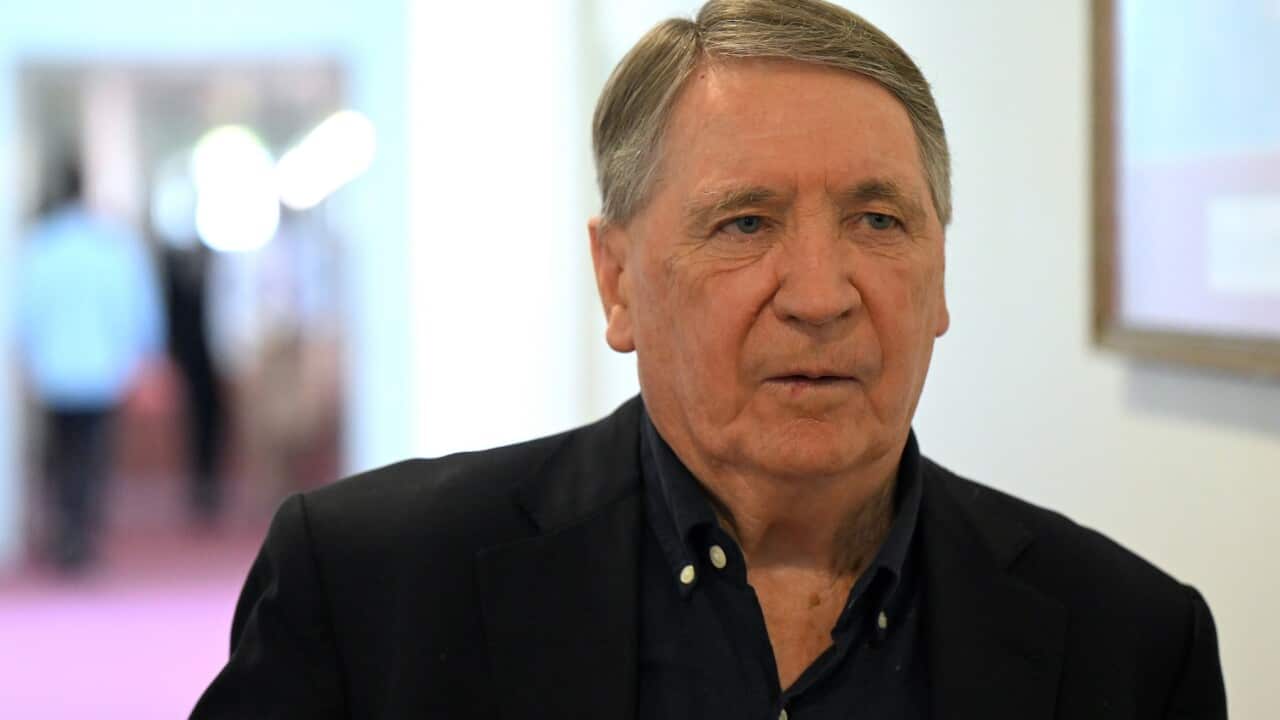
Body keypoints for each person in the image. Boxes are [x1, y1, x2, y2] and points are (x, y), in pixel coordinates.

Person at [193, 1, 1227, 717]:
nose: (820, 295)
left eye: (877, 219)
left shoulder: (1128, 641)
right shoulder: (370, 589)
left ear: (939, 276)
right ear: (618, 281)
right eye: (742, 223)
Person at [15, 159, 165, 571]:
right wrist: (142, 355)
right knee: (92, 455)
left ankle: (66, 532)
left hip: (54, 370)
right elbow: (137, 306)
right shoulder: (111, 244)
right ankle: (81, 535)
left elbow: (23, 310)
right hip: (102, 368)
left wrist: (25, 355)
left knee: (60, 454)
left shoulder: (40, 245)